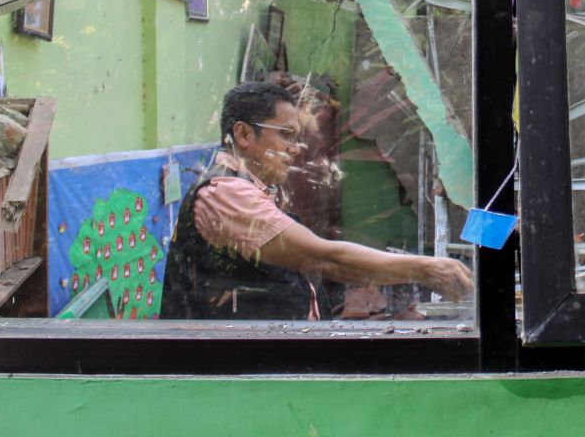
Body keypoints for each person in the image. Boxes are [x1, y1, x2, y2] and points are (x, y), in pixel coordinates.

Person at [160, 82, 473, 319]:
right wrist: (425, 269)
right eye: (285, 134)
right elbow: (322, 258)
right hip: (229, 373)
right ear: (242, 135)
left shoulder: (252, 188)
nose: (296, 148)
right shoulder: (226, 195)